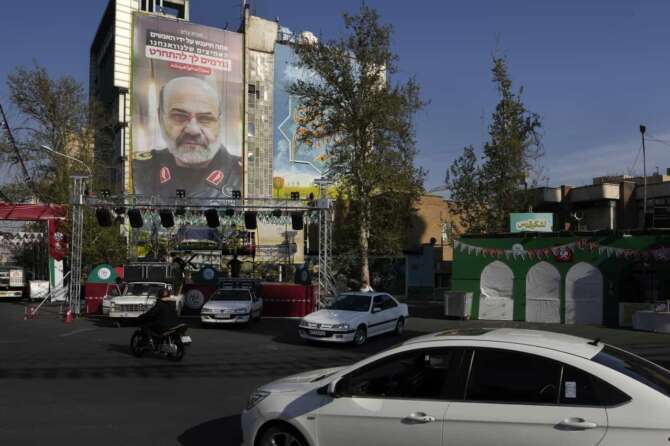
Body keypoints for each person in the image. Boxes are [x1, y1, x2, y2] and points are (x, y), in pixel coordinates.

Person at [134, 76, 241, 198]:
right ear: (160, 118)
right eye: (179, 117)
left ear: (219, 123)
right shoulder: (136, 170)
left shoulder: (244, 175)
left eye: (205, 119)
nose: (193, 130)